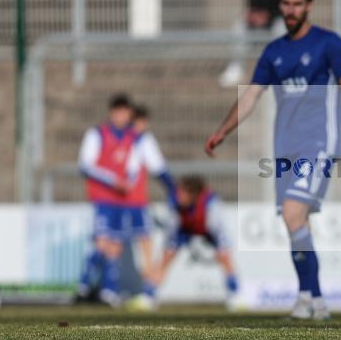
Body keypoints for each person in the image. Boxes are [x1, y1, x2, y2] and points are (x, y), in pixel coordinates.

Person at [205, 0, 341, 320]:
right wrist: (223, 129)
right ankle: (313, 300)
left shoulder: (329, 44)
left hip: (319, 145)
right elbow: (251, 95)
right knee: (296, 224)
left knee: (294, 213)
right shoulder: (274, 51)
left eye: (298, 4)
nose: (291, 10)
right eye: (286, 4)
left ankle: (310, 300)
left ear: (309, 5)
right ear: (279, 6)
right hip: (285, 149)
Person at [127, 175, 244, 312]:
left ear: (193, 195)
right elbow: (172, 227)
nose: (179, 195)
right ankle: (148, 297)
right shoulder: (174, 202)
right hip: (182, 228)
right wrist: (170, 245)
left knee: (224, 257)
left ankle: (236, 296)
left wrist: (221, 248)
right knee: (165, 258)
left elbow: (219, 230)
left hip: (207, 229)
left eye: (182, 193)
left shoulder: (211, 204)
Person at [76, 93, 142, 307]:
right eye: (118, 111)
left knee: (115, 247)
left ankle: (108, 292)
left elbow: (134, 166)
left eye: (125, 112)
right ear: (112, 113)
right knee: (102, 243)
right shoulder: (97, 134)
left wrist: (129, 182)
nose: (122, 116)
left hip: (122, 200)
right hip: (102, 198)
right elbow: (85, 165)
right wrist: (113, 180)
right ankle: (83, 288)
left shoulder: (133, 138)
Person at [126, 105, 176, 284]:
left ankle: (147, 286)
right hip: (129, 201)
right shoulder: (140, 140)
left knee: (140, 242)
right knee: (142, 241)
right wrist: (173, 188)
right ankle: (148, 285)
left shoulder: (131, 140)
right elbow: (158, 168)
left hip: (123, 201)